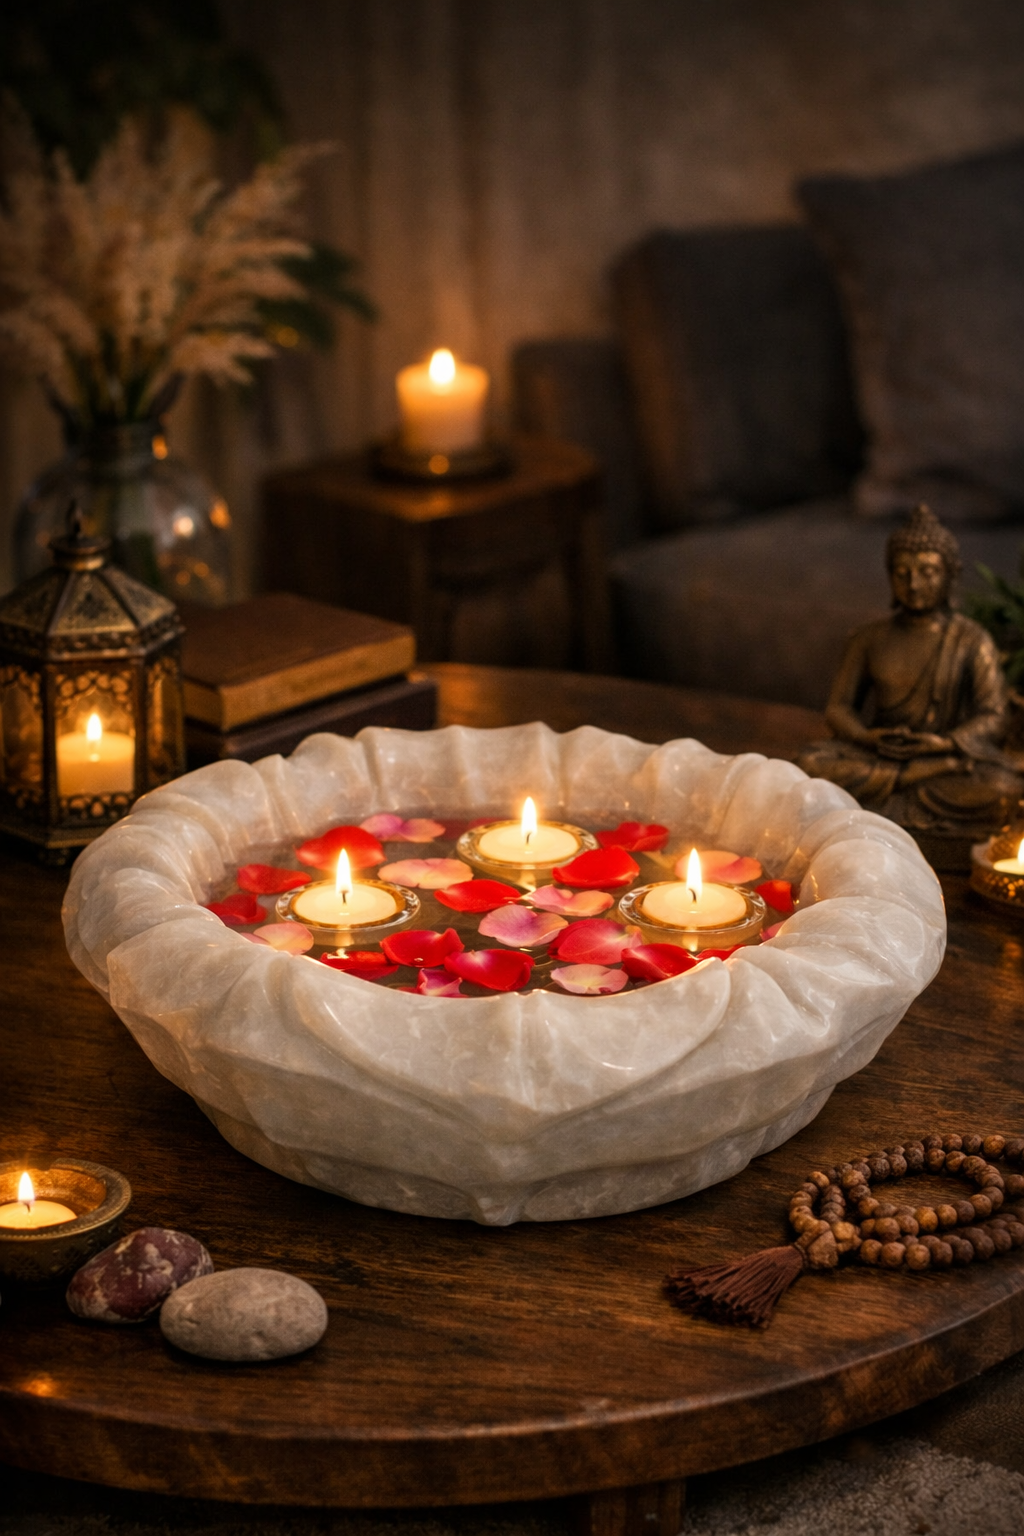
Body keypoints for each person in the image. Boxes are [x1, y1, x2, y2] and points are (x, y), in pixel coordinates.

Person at [797, 504, 1023, 844]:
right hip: (880, 753)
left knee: (1005, 789)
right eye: (902, 573)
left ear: (951, 575)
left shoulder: (972, 640)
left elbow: (994, 715)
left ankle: (882, 800)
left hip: (942, 758)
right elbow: (839, 708)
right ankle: (908, 781)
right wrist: (866, 737)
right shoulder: (867, 638)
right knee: (808, 764)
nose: (914, 584)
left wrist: (944, 743)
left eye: (928, 572)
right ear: (890, 577)